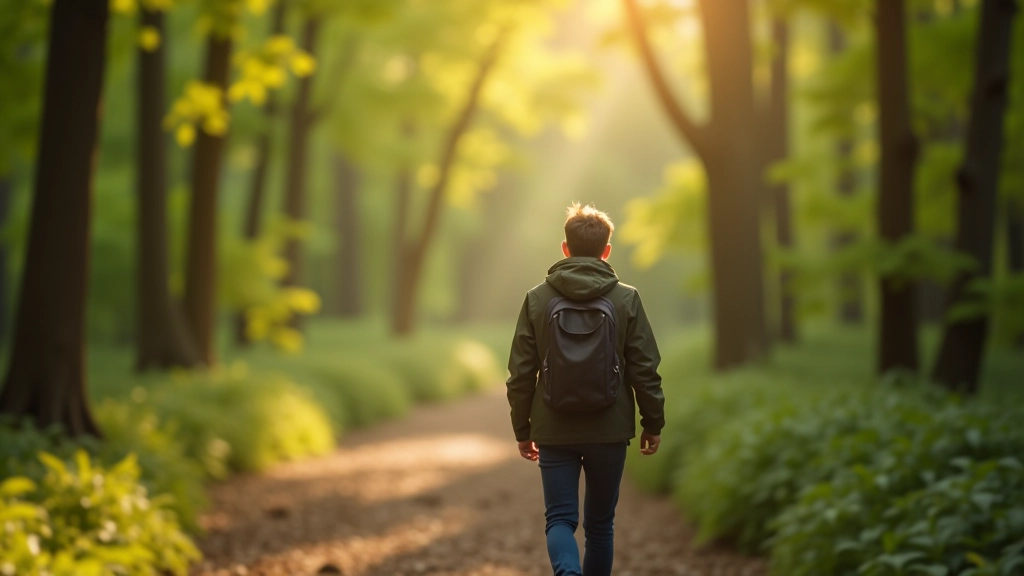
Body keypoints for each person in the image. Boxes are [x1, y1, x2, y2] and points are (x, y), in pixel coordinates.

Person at [506, 202, 666, 576]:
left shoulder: (537, 298)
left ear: (565, 248)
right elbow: (645, 368)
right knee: (600, 524)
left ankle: (568, 572)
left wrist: (522, 428)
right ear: (607, 251)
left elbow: (520, 373)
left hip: (553, 425)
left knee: (559, 518)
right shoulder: (626, 298)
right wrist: (653, 423)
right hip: (609, 428)